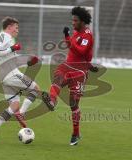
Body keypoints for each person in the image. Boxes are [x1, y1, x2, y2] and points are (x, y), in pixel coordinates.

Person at [42, 6, 98, 145]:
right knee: (57, 77)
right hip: (67, 66)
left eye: (75, 20)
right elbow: (72, 47)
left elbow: (81, 51)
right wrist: (67, 36)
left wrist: (88, 65)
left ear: (83, 21)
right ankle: (52, 101)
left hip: (79, 72)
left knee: (73, 104)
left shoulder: (87, 35)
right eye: (72, 20)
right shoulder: (76, 32)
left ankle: (76, 133)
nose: (73, 23)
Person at [0, 16, 40, 143]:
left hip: (6, 75)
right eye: (16, 27)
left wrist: (28, 63)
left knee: (14, 105)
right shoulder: (4, 36)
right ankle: (21, 113)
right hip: (10, 74)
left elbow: (13, 60)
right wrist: (13, 48)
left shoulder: (9, 39)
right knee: (35, 89)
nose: (17, 30)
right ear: (9, 27)